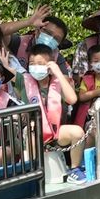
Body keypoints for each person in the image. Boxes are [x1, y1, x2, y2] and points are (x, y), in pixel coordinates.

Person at [24, 40, 86, 179]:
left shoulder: (58, 82)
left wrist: (58, 73)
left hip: (56, 132)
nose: (35, 67)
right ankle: (34, 173)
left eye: (40, 64)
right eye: (32, 63)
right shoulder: (24, 81)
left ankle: (75, 169)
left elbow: (72, 99)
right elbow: (6, 71)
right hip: (33, 132)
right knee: (31, 132)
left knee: (77, 132)